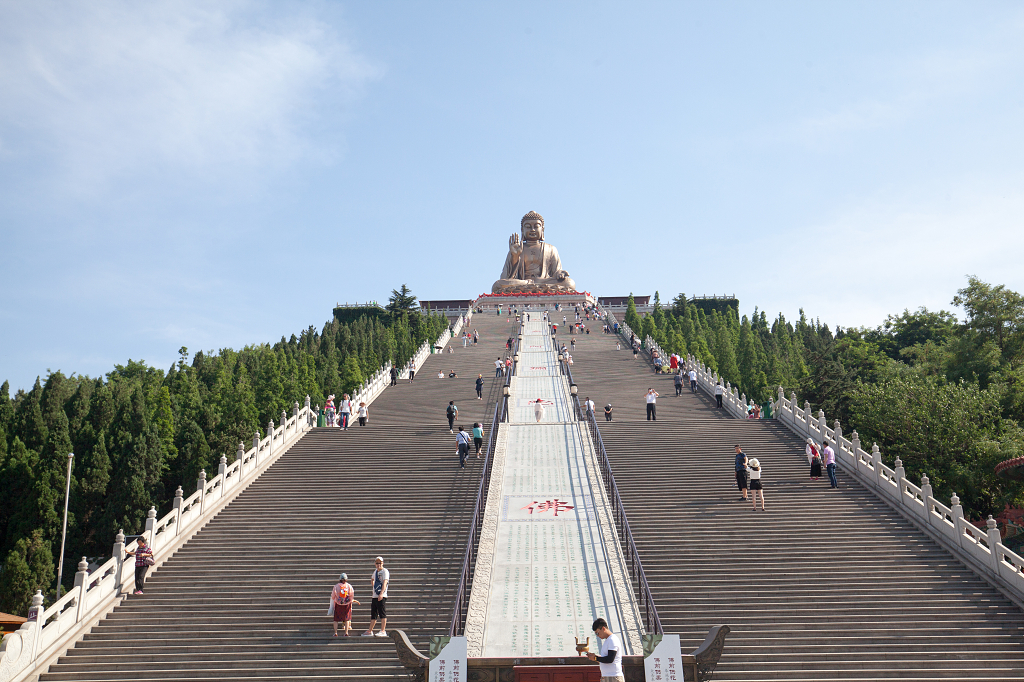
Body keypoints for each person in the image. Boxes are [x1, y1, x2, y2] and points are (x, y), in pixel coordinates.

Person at [586, 618, 624, 682]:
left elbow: (610, 659)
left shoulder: (612, 640)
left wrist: (596, 658)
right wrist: (595, 658)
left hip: (613, 677)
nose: (597, 636)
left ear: (603, 628)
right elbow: (606, 659)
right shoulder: (608, 640)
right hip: (607, 676)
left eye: (597, 633)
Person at [362, 557, 389, 637]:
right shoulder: (375, 572)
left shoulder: (385, 571)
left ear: (383, 563)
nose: (378, 565)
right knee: (373, 614)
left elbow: (385, 582)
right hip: (374, 595)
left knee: (382, 613)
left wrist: (381, 593)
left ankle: (383, 630)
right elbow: (372, 579)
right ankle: (370, 630)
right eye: (377, 563)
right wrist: (374, 586)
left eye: (380, 563)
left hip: (381, 595)